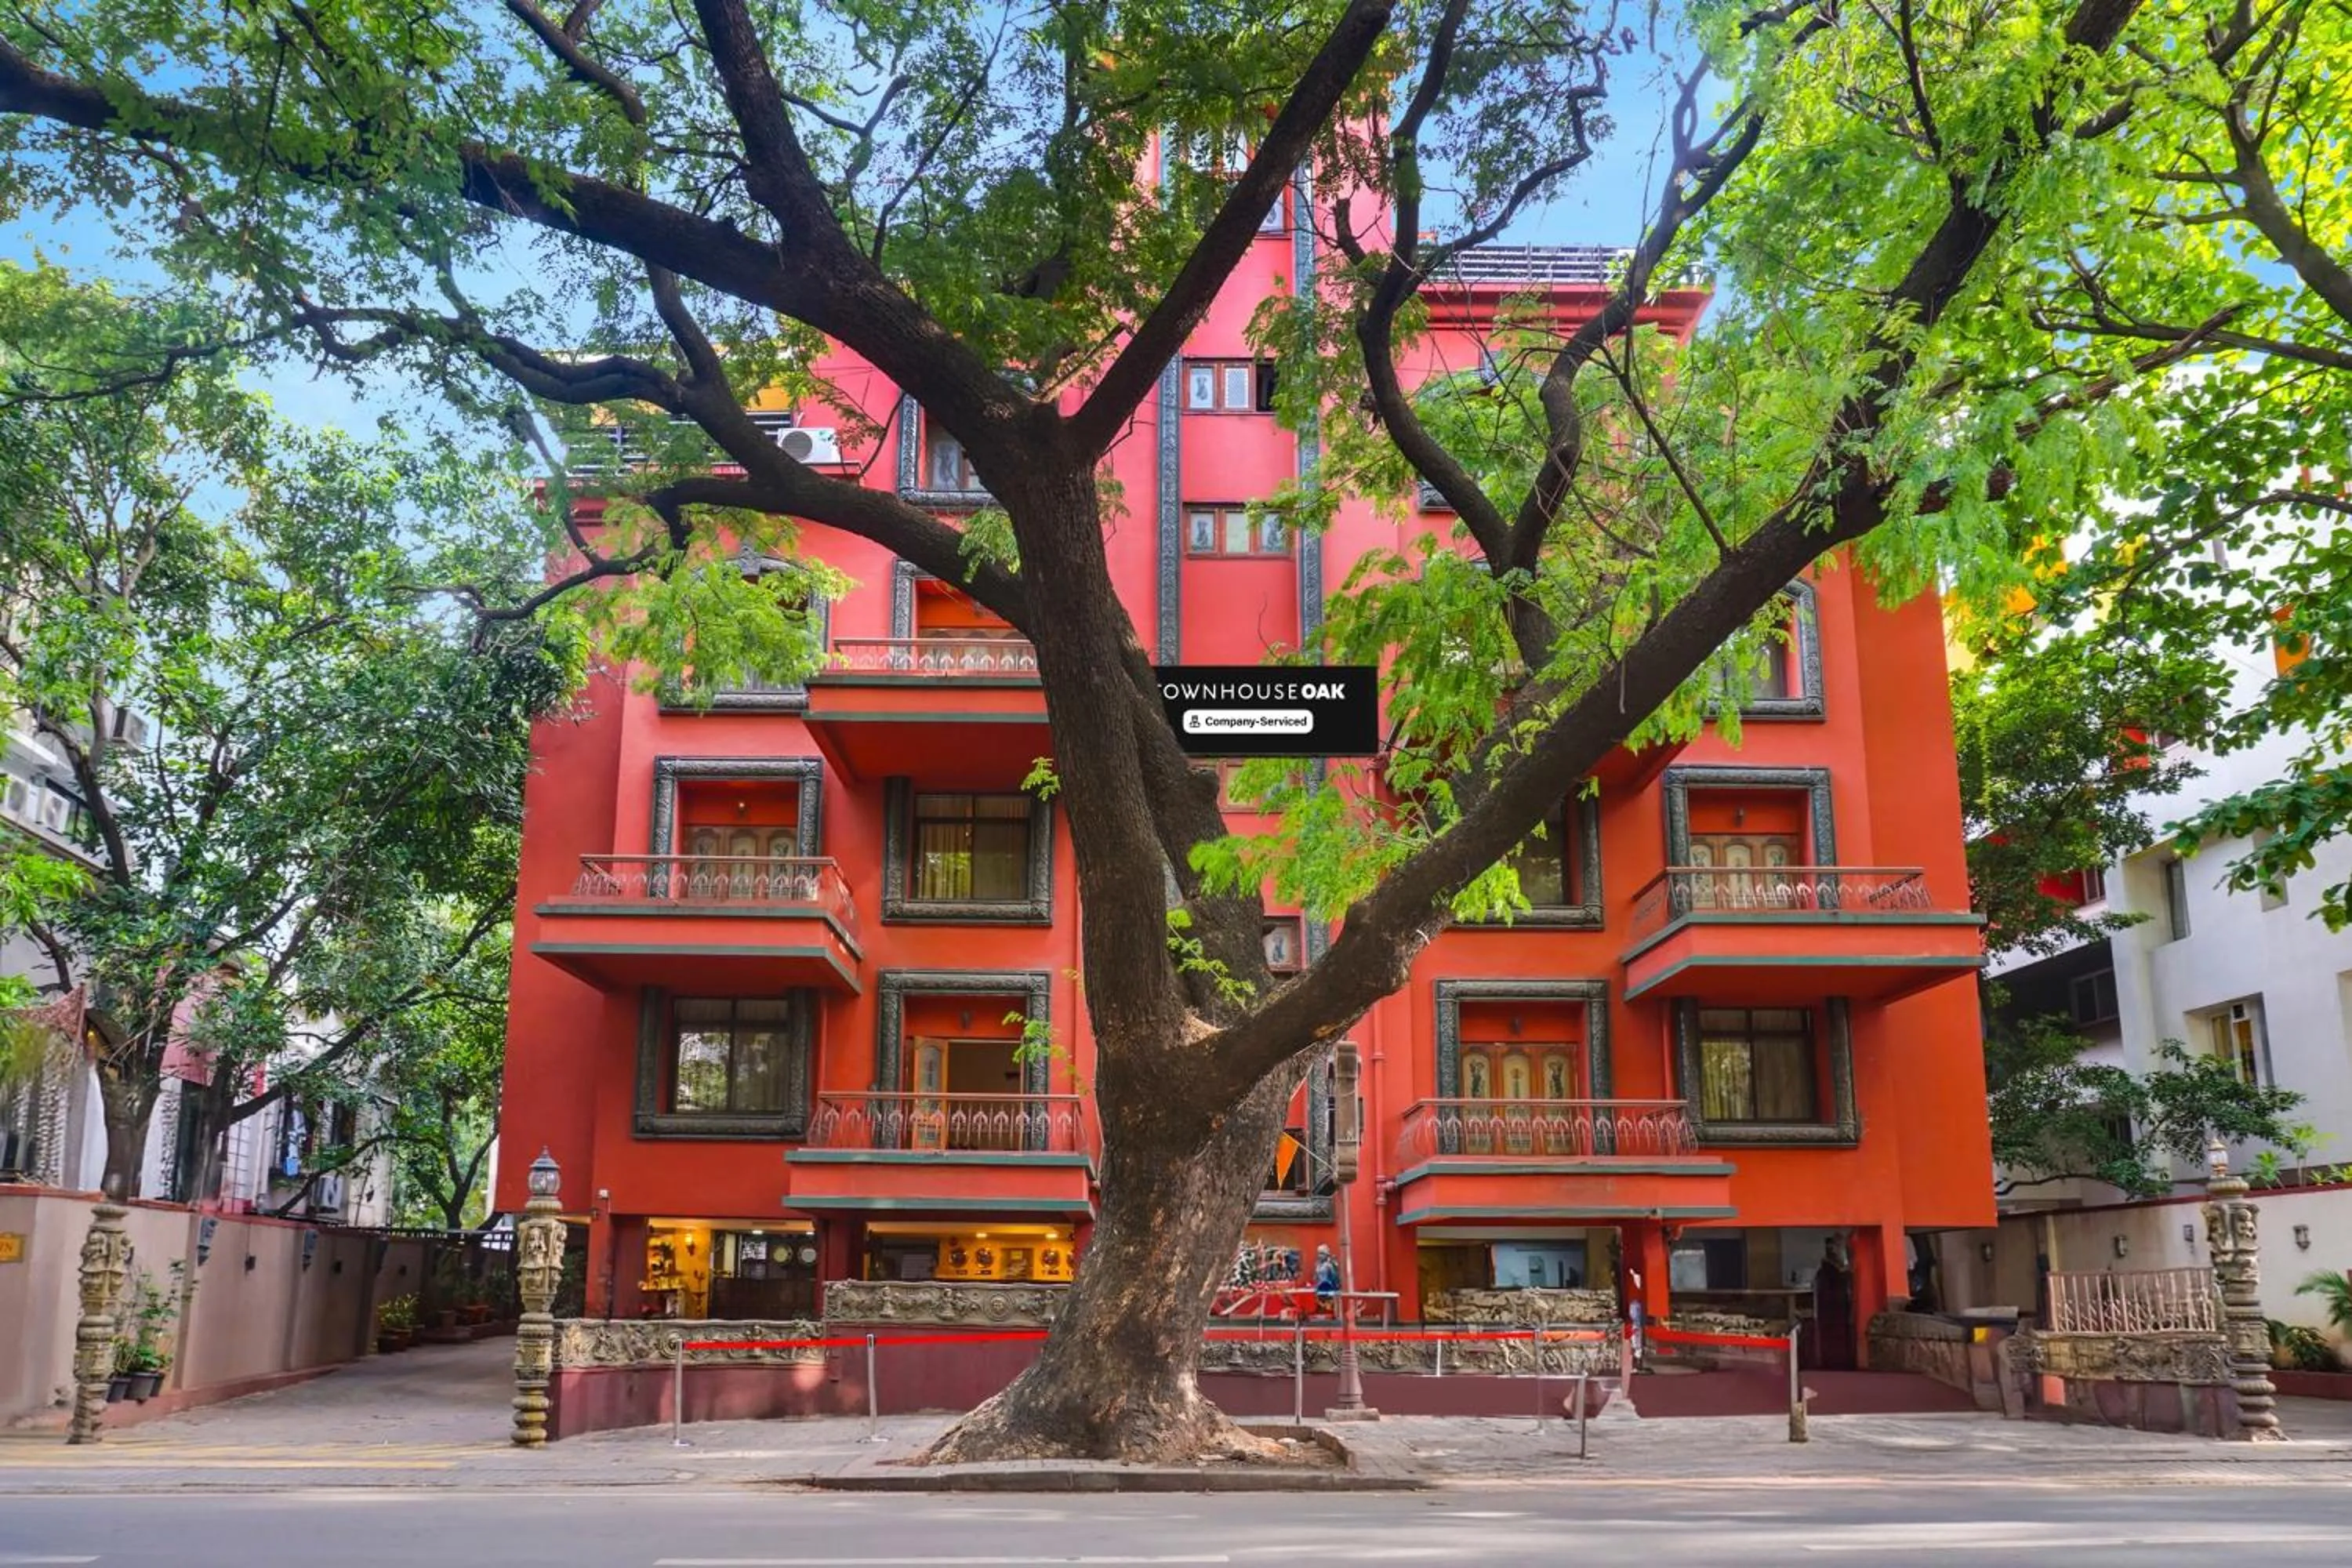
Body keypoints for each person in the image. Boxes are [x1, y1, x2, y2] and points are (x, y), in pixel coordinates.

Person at [1312, 1244, 1340, 1308]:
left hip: (1329, 1291)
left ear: (1326, 1254)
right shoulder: (1318, 1265)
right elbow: (1316, 1278)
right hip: (1320, 1291)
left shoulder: (1329, 1265)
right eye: (1319, 1254)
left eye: (1322, 1254)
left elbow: (1335, 1277)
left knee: (1329, 1309)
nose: (1320, 1256)